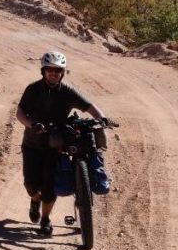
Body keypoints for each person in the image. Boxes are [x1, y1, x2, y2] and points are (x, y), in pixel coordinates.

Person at [15, 50, 109, 236]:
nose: (54, 74)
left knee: (50, 186)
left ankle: (45, 220)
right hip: (32, 144)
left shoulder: (67, 91)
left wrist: (102, 119)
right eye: (50, 70)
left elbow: (90, 107)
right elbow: (20, 112)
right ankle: (35, 200)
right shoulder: (33, 89)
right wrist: (32, 125)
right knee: (31, 184)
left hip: (55, 145)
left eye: (58, 71)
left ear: (62, 73)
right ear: (43, 71)